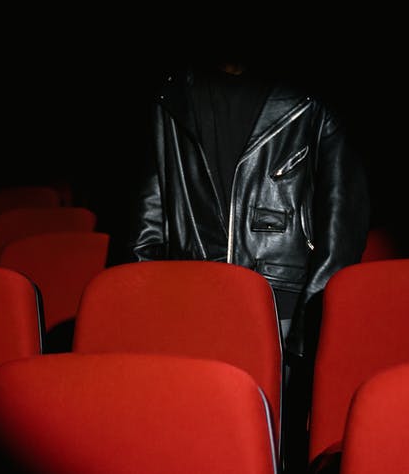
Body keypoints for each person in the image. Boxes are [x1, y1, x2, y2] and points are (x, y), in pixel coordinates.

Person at [124, 57, 372, 470]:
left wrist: (311, 325)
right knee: (192, 444)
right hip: (189, 299)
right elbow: (148, 218)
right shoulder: (171, 95)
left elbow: (342, 220)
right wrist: (146, 312)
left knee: (267, 448)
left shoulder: (313, 98)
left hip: (281, 304)